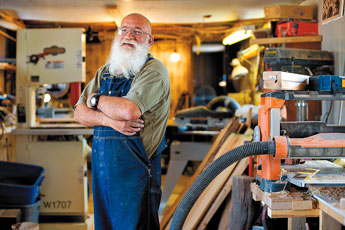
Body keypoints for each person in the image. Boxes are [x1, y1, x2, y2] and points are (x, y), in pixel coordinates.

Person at [74, 13, 170, 230]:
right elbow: (79, 113)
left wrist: (95, 99)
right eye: (124, 30)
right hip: (104, 173)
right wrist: (111, 122)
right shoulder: (104, 72)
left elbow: (129, 110)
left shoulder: (154, 70)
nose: (129, 36)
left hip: (135, 174)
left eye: (137, 32)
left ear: (149, 40)